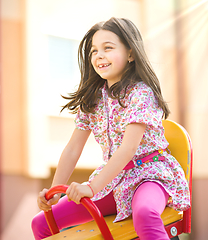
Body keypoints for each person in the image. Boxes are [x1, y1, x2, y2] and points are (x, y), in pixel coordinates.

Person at [32, 17, 190, 240]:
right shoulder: (94, 99)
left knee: (144, 213)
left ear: (131, 54)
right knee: (42, 222)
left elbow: (127, 149)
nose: (99, 55)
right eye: (94, 51)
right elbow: (73, 149)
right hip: (115, 181)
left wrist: (93, 187)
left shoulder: (141, 93)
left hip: (149, 175)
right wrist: (54, 191)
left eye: (108, 48)